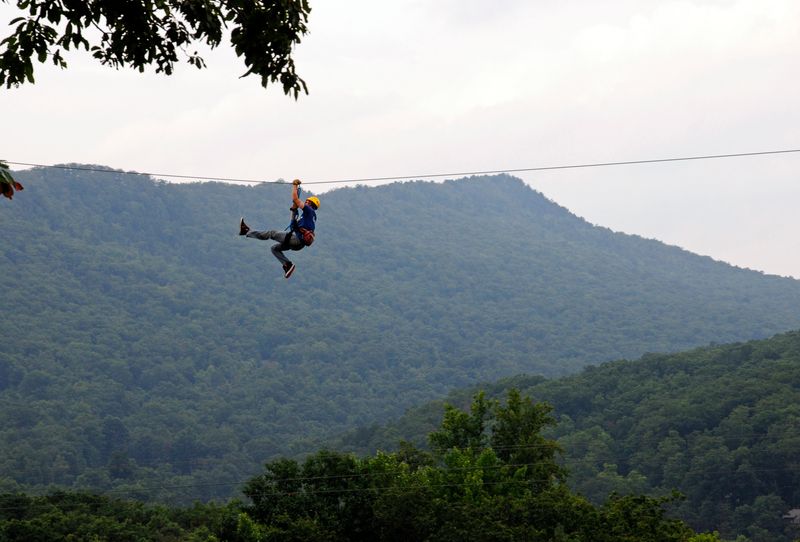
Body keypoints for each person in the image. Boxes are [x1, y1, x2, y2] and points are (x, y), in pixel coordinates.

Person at [239, 179, 319, 279]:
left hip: (296, 240)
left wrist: (295, 186)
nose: (305, 202)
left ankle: (247, 231)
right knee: (274, 248)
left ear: (310, 203)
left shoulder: (309, 210)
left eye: (307, 202)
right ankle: (288, 265)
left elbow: (295, 199)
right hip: (298, 245)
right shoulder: (309, 217)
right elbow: (293, 223)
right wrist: (294, 209)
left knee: (272, 233)